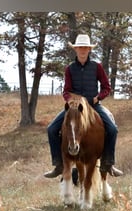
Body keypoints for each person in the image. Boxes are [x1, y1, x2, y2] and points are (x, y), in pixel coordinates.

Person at [44, 34, 123, 178]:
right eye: (80, 47)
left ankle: (108, 163)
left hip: (93, 106)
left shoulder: (97, 67)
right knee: (51, 129)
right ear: (76, 49)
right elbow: (66, 91)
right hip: (74, 108)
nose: (82, 50)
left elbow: (106, 87)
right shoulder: (70, 68)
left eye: (85, 47)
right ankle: (58, 165)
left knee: (112, 129)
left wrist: (98, 98)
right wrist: (70, 101)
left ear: (89, 50)